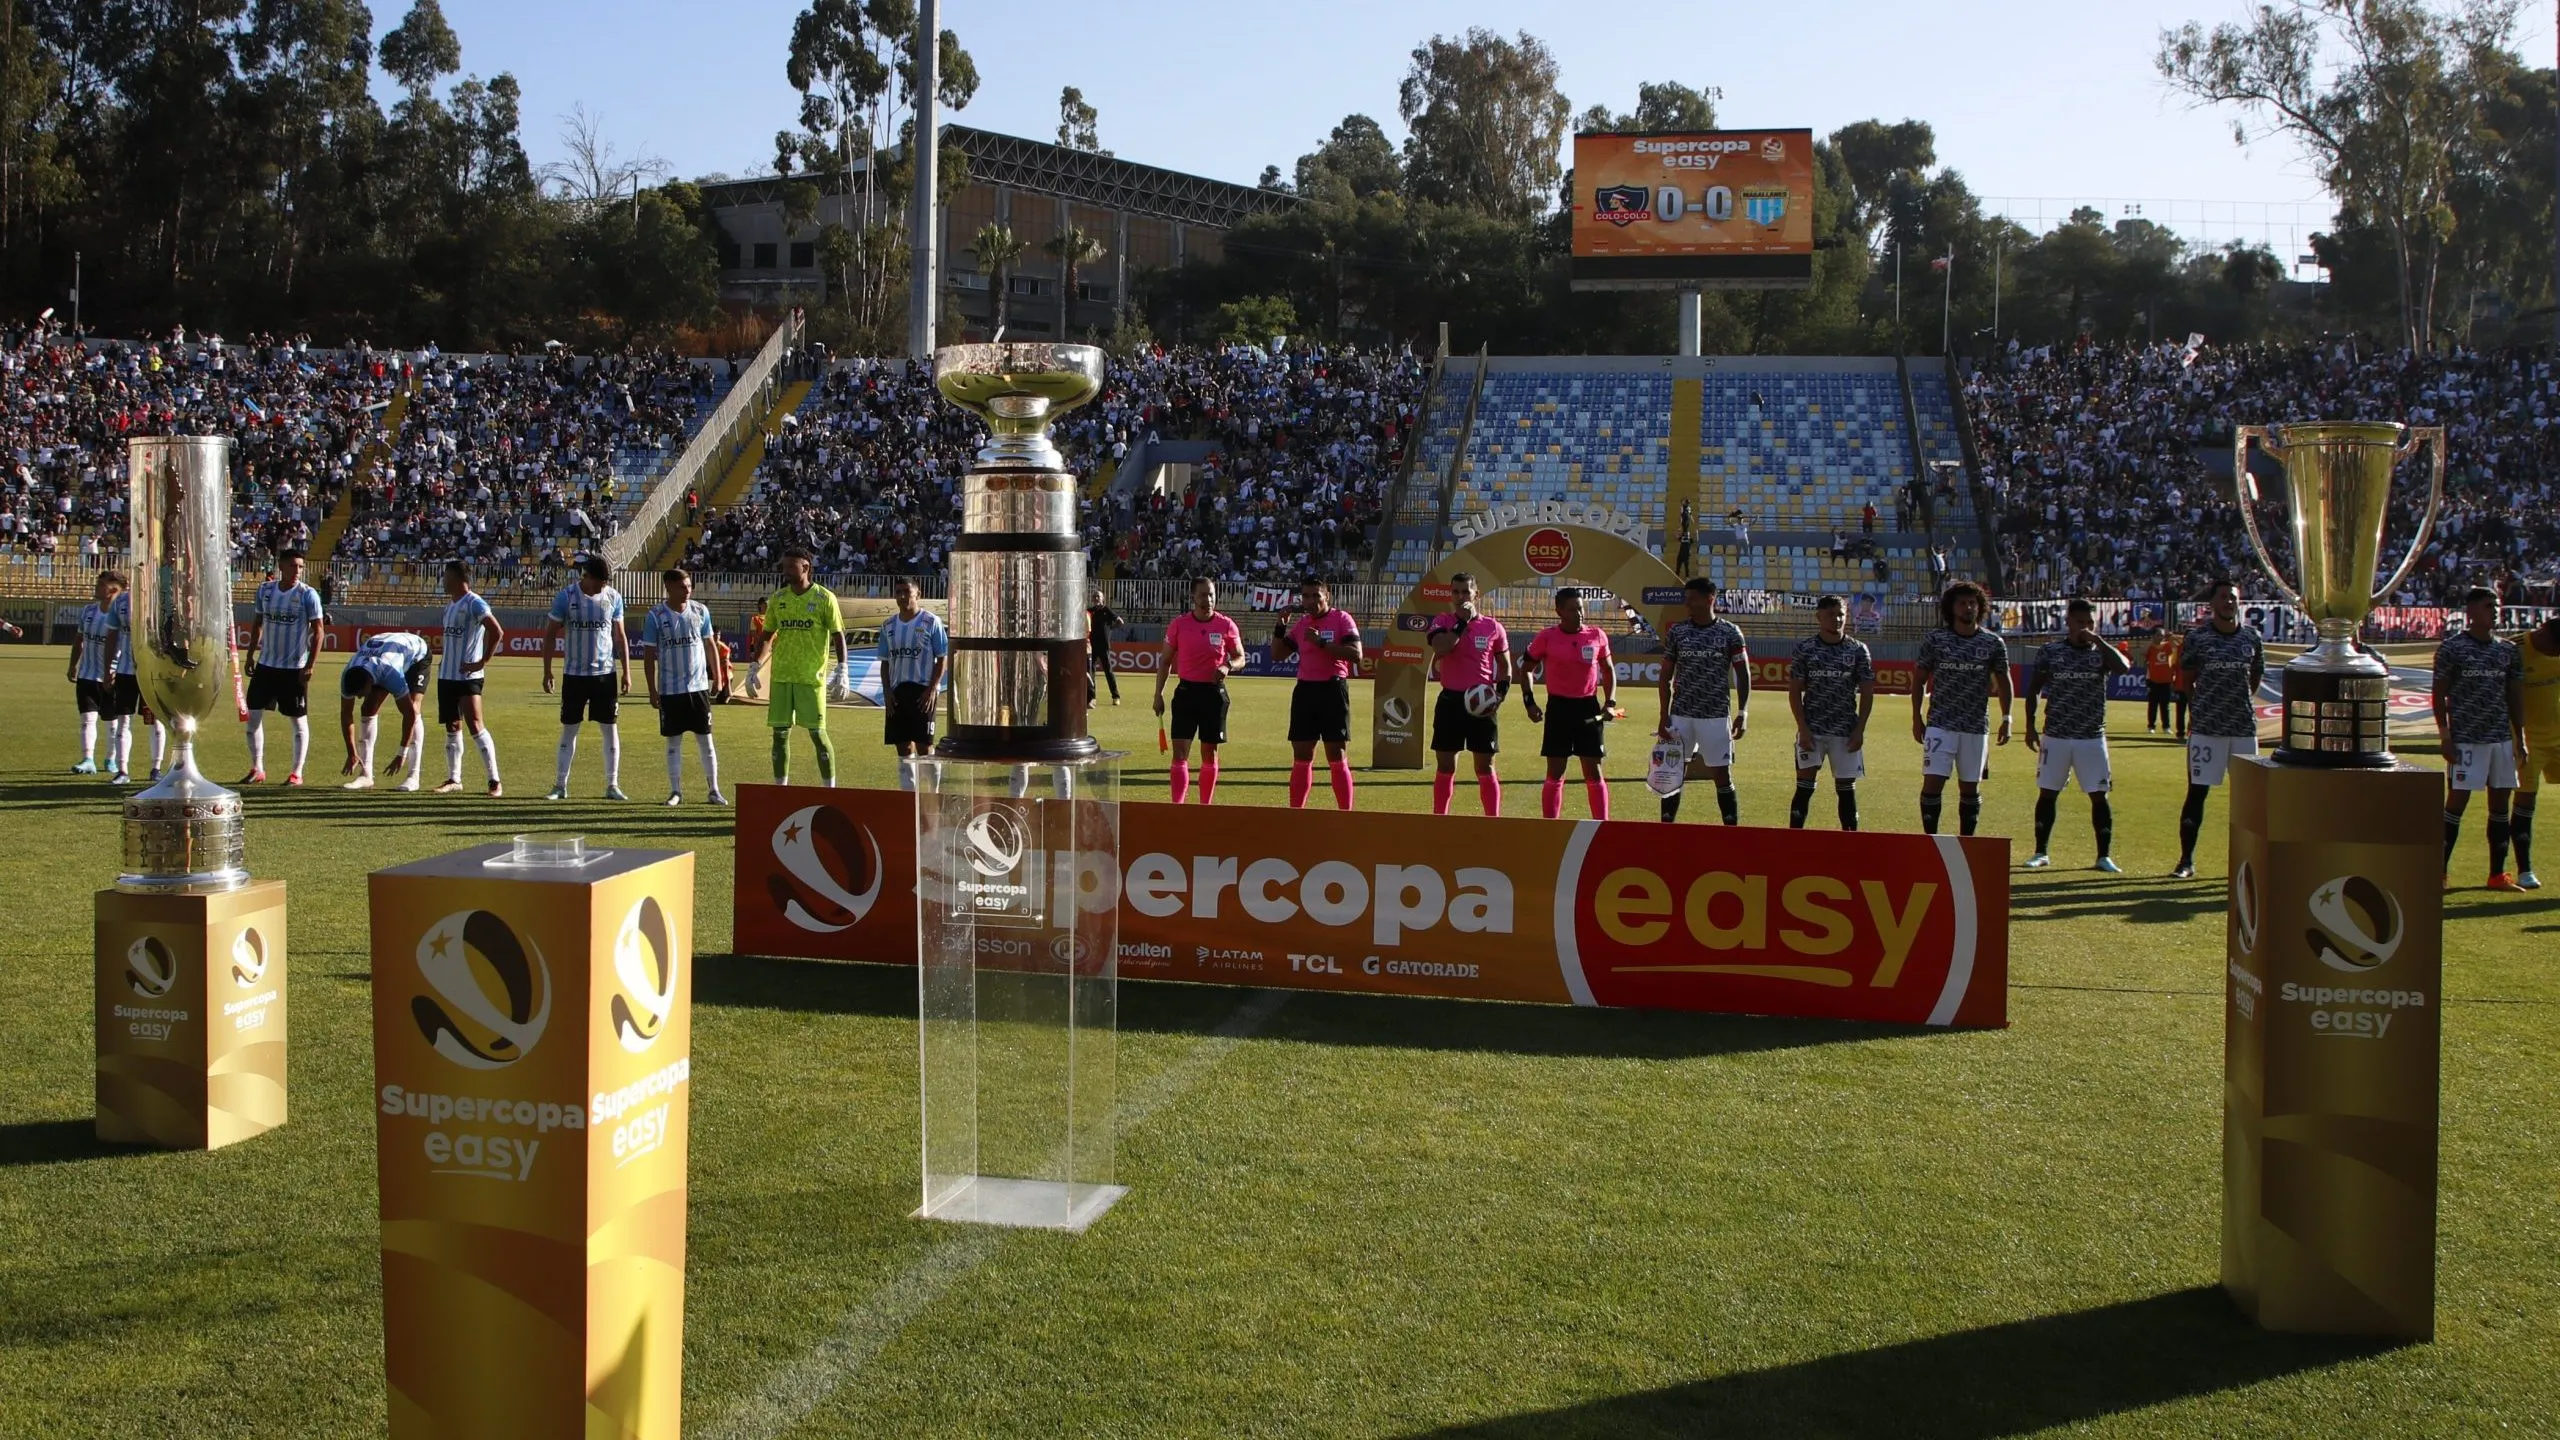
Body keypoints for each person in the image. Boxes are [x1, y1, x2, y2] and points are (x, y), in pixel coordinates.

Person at [2022, 598, 2133, 871]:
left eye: (2089, 623)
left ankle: (2103, 856)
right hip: (2056, 734)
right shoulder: (2051, 651)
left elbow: (2123, 668)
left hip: (2091, 737)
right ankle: (2041, 852)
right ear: (2068, 622)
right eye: (2079, 622)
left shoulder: (2101, 653)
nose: (2084, 627)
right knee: (2048, 792)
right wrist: (2029, 725)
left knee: (2099, 794)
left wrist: (2099, 641)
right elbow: (2034, 688)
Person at [2435, 586, 2529, 891]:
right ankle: (2439, 872)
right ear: (2471, 611)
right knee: (2456, 804)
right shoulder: (2453, 649)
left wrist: (2520, 737)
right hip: (2467, 739)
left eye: (2497, 605)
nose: (2496, 611)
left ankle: (2496, 875)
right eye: (2489, 606)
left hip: (2500, 739)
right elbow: (2438, 695)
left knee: (2501, 805)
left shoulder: (2507, 651)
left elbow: (2515, 696)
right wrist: (2445, 735)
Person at [2171, 580, 2267, 879]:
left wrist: (2238, 703)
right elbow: (2186, 678)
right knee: (2197, 793)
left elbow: (2255, 676)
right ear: (2211, 603)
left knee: (2249, 799)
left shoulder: (2252, 636)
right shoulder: (2198, 638)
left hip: (2242, 729)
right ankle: (2186, 861)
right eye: (2223, 597)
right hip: (2207, 729)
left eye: (2233, 598)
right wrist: (2200, 708)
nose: (2229, 602)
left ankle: (2249, 862)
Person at [1912, 580, 2012, 837]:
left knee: (1970, 788)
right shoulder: (1936, 639)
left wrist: (2007, 718)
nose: (1968, 607)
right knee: (1932, 783)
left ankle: (1967, 842)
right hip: (1940, 725)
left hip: (1975, 727)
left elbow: (2004, 681)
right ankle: (1930, 840)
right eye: (1962, 603)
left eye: (1972, 603)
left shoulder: (1993, 643)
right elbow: (1920, 679)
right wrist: (1916, 717)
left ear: (1980, 608)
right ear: (1951, 607)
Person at [1656, 577, 1750, 825]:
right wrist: (1664, 716)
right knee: (1673, 772)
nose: (1687, 604)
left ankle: (1731, 829)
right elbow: (1665, 675)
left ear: (1710, 598)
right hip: (1681, 715)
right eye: (1686, 598)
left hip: (1716, 716)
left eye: (1692, 599)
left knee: (1721, 774)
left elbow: (1743, 673)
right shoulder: (1678, 631)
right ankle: (1666, 827)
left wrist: (1743, 712)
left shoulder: (1730, 632)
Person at [752, 546, 845, 785]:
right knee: (779, 735)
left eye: (790, 566)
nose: (785, 571)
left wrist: (843, 669)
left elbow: (838, 635)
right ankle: (780, 789)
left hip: (810, 677)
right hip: (781, 676)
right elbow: (768, 636)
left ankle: (829, 790)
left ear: (805, 567)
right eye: (784, 566)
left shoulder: (824, 598)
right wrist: (755, 666)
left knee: (818, 734)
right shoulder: (778, 599)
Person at [541, 555, 631, 800]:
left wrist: (626, 672)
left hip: (605, 674)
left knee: (610, 729)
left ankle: (612, 785)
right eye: (600, 581)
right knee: (569, 729)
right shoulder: (566, 597)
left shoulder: (613, 597)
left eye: (606, 581)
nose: (604, 585)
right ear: (587, 576)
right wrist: (547, 670)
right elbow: (549, 635)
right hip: (575, 675)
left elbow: (620, 637)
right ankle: (560, 785)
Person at [1523, 587, 1617, 820]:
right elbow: (1525, 669)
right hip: (1558, 709)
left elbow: (1608, 670)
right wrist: (1529, 702)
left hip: (1589, 709)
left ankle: (1601, 826)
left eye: (1581, 608)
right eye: (1573, 609)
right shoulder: (1546, 637)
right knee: (1555, 771)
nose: (1579, 613)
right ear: (1559, 611)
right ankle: (1550, 826)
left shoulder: (1597, 635)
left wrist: (1610, 702)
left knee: (1593, 771)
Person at [1270, 577, 1362, 811]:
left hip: (1333, 689)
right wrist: (1280, 625)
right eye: (1306, 596)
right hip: (1305, 691)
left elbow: (1356, 654)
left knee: (1336, 753)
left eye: (1316, 596)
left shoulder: (1341, 619)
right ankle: (1296, 813)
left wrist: (1321, 643)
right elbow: (1278, 655)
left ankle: (1345, 814)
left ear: (1326, 596)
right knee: (1302, 754)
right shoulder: (1302, 625)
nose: (1311, 601)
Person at [1424, 572, 1510, 817]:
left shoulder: (1493, 627)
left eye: (1465, 592)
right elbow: (1442, 647)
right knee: (1445, 765)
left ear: (1476, 594)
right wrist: (1461, 622)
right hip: (1450, 701)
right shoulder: (1442, 621)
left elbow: (1505, 665)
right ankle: (1440, 818)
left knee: (1485, 766)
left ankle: (1492, 820)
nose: (1460, 597)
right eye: (1455, 592)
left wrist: (1500, 695)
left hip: (1482, 706)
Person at [1787, 595, 1875, 830]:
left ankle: (1851, 845)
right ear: (1819, 617)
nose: (1837, 619)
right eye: (1831, 614)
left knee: (1846, 791)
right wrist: (1802, 729)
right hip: (1812, 730)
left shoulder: (1858, 650)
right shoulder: (1805, 649)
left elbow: (1867, 692)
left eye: (1841, 615)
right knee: (1804, 787)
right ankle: (1792, 842)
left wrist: (1859, 730)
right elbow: (1794, 691)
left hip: (1845, 732)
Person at [1157, 576, 1246, 805]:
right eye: (1203, 595)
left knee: (1209, 753)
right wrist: (1158, 695)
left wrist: (1228, 666)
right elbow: (1165, 661)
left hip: (1213, 694)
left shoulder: (1226, 625)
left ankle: (1204, 806)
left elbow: (1240, 657)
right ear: (1193, 597)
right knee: (1180, 754)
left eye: (1212, 594)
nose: (1208, 599)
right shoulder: (1179, 624)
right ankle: (1178, 806)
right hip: (1186, 693)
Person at [643, 567, 728, 806]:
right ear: (668, 587)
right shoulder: (655, 616)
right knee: (673, 742)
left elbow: (710, 644)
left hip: (698, 687)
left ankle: (714, 790)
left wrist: (718, 677)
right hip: (670, 689)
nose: (688, 591)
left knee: (706, 740)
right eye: (682, 587)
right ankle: (675, 791)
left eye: (690, 587)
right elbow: (649, 655)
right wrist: (652, 689)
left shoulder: (700, 611)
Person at [238, 549, 324, 786]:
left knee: (298, 721)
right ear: (282, 566)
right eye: (293, 566)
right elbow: (257, 624)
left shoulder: (308, 594)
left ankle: (296, 773)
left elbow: (319, 631)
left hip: (293, 669)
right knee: (253, 718)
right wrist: (250, 656)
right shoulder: (265, 591)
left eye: (300, 567)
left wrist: (310, 665)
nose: (297, 571)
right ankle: (257, 768)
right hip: (266, 667)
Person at [433, 560, 504, 796]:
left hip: (467, 676)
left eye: (445, 576)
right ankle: (454, 779)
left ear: (455, 577)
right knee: (453, 726)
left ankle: (494, 781)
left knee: (475, 724)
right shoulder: (449, 606)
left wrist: (482, 662)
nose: (443, 580)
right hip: (447, 675)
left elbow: (497, 631)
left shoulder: (474, 602)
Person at [877, 576, 947, 792]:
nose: (902, 596)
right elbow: (885, 663)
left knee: (925, 745)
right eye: (898, 592)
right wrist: (887, 693)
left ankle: (932, 795)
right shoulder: (888, 625)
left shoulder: (931, 621)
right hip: (898, 693)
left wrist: (933, 687)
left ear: (918, 594)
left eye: (907, 591)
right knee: (903, 746)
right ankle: (908, 796)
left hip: (922, 691)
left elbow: (942, 657)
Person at [337, 630, 429, 791]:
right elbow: (346, 714)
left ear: (369, 684)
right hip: (380, 654)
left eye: (360, 693)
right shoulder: (347, 675)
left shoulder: (390, 673)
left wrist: (402, 754)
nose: (358, 697)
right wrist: (351, 752)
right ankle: (365, 775)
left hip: (416, 655)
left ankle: (413, 777)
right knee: (367, 708)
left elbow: (409, 715)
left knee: (413, 707)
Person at [2510, 611, 2560, 889]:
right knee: (2525, 802)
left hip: (2558, 735)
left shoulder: (2556, 649)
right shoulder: (2514, 650)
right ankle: (2524, 870)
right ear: (2545, 636)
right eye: (2556, 650)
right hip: (2527, 740)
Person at [105, 583, 166, 785]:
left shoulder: (159, 599)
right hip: (125, 672)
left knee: (155, 721)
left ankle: (156, 768)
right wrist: (108, 669)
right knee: (124, 720)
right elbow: (112, 637)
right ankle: (122, 770)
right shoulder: (120, 602)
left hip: (151, 673)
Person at [67, 572, 122, 775]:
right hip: (86, 675)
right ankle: (88, 759)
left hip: (112, 677)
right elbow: (79, 639)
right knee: (87, 719)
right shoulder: (88, 611)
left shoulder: (123, 616)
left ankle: (111, 759)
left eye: (101, 584)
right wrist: (73, 665)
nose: (96, 587)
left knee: (111, 722)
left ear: (113, 590)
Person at [1087, 589, 1123, 709]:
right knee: (1091, 673)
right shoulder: (1089, 611)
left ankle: (1115, 696)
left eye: (1098, 596)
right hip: (1091, 647)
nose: (1096, 598)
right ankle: (1092, 698)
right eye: (1094, 597)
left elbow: (1120, 621)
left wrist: (1110, 628)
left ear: (1102, 599)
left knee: (1108, 671)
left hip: (1103, 646)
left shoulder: (1106, 610)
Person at [2144, 629, 2183, 737]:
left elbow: (2181, 644)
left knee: (2165, 706)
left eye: (2161, 635)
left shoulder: (2168, 646)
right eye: (2157, 635)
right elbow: (2144, 655)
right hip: (2153, 681)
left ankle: (2166, 726)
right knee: (2152, 705)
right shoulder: (2150, 648)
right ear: (2153, 636)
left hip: (2166, 681)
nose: (2160, 637)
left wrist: (2173, 636)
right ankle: (2151, 726)